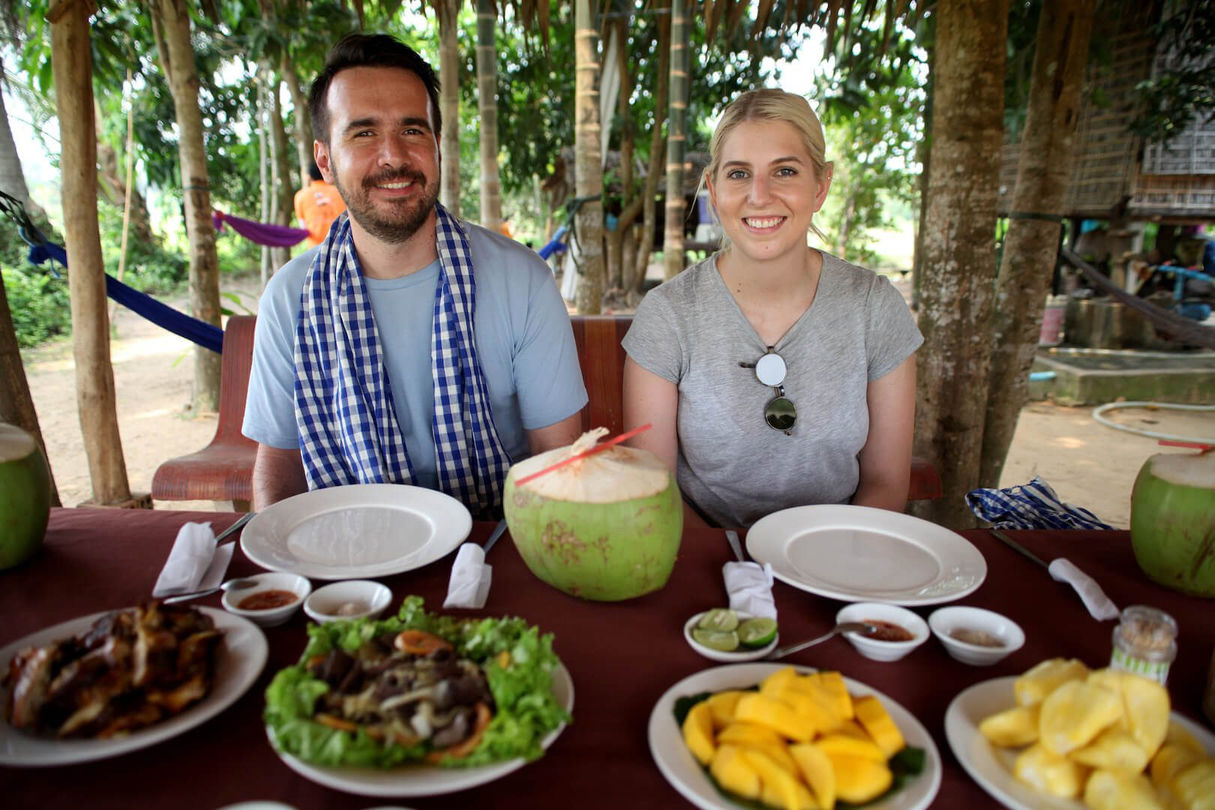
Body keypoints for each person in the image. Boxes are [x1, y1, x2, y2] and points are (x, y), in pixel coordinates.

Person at [243, 33, 587, 516]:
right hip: (348, 553)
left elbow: (558, 458)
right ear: (324, 159)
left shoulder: (522, 280)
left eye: (412, 130)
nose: (393, 157)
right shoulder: (289, 298)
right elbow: (279, 464)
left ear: (437, 145)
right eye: (363, 133)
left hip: (496, 540)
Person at [622, 89, 922, 529]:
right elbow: (655, 490)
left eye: (784, 171)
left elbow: (886, 481)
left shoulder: (873, 307)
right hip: (705, 555)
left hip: (835, 553)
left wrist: (823, 564)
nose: (759, 196)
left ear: (820, 186)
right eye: (739, 173)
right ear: (713, 189)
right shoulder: (669, 314)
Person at [293, 160, 347, 246]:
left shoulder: (301, 196)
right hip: (341, 245)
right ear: (326, 173)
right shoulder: (340, 192)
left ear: (309, 177)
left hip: (315, 249)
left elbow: (303, 227)